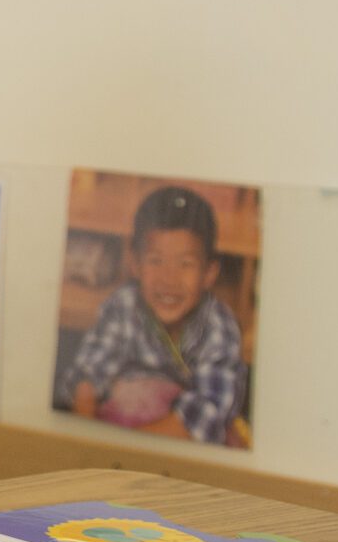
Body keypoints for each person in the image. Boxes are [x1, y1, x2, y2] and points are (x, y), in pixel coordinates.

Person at [64, 185, 246, 445]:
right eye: (155, 260)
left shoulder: (218, 326)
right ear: (135, 262)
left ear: (209, 272)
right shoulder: (124, 304)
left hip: (180, 446)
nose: (168, 279)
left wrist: (125, 453)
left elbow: (205, 416)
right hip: (120, 429)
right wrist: (88, 446)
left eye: (185, 264)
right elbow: (86, 379)